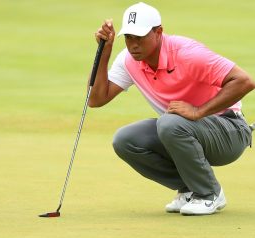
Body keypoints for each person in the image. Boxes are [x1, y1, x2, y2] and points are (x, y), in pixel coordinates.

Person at [90, 2, 255, 215]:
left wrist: (199, 111)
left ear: (159, 32)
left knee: (169, 123)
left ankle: (209, 194)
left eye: (140, 37)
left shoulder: (187, 53)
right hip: (185, 130)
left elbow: (244, 81)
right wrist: (105, 52)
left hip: (229, 131)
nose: (133, 45)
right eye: (129, 37)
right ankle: (190, 189)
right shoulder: (128, 60)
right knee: (125, 139)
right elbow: (96, 99)